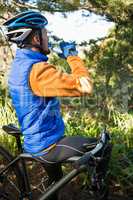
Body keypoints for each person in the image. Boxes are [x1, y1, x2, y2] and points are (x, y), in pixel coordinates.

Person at [3, 11, 111, 200]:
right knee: (103, 144)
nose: (48, 38)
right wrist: (73, 57)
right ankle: (97, 189)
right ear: (36, 38)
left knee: (56, 181)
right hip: (47, 145)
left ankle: (50, 189)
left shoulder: (20, 65)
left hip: (34, 137)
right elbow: (85, 86)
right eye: (45, 33)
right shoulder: (38, 71)